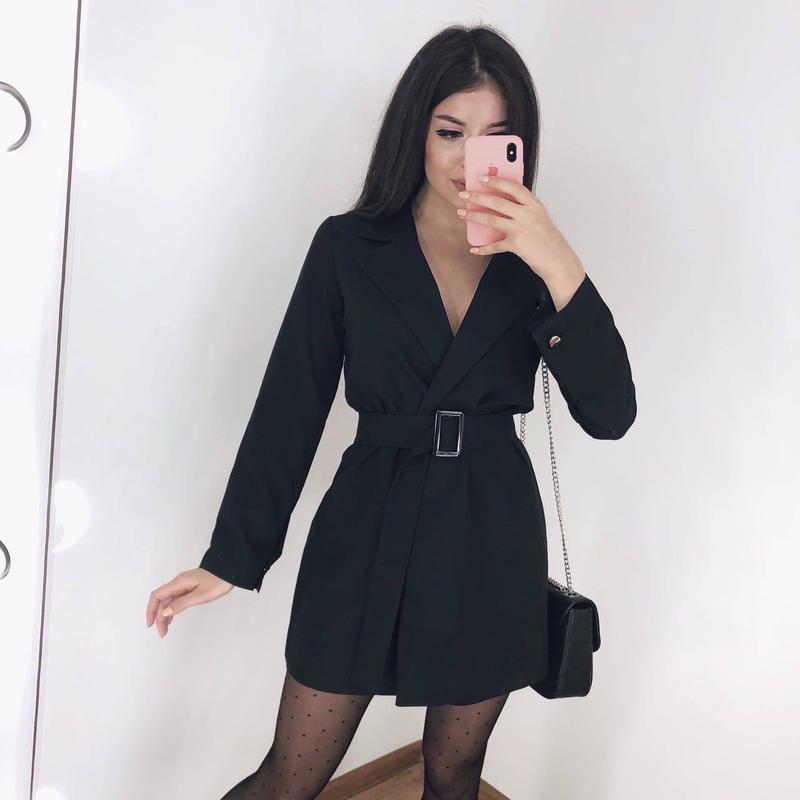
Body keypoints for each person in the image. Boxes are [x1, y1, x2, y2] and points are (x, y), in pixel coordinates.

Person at [146, 22, 636, 799]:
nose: (467, 156)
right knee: (290, 775)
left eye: (494, 136)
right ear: (416, 130)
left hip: (489, 534)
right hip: (368, 524)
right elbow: (289, 406)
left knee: (455, 773)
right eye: (450, 131)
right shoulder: (349, 247)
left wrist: (558, 260)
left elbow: (611, 413)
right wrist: (231, 558)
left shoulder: (534, 263)